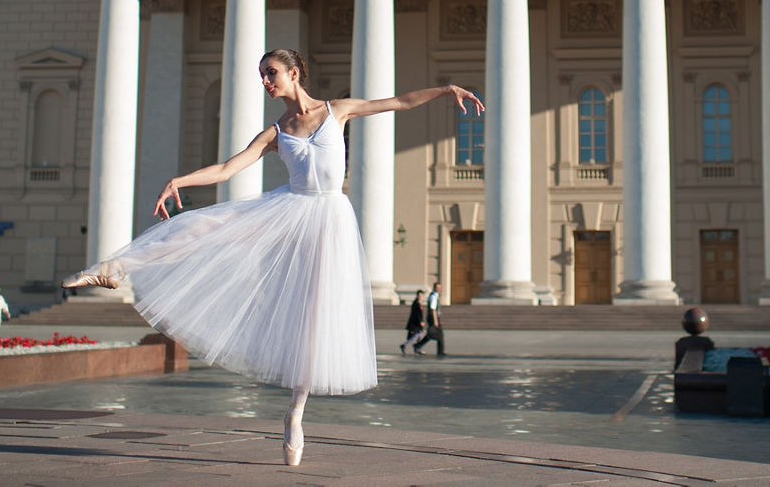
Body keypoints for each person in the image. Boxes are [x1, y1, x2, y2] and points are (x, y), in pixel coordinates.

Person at [62, 48, 482, 466]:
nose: (265, 81)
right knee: (207, 225)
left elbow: (398, 102)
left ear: (294, 73)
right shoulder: (276, 132)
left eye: (271, 73)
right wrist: (180, 179)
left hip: (329, 219)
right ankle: (114, 267)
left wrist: (447, 90)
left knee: (314, 319)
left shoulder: (338, 110)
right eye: (262, 75)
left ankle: (295, 415)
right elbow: (228, 168)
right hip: (290, 209)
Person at [417, 281, 445, 358]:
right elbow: (433, 309)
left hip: (435, 317)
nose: (439, 289)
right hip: (433, 318)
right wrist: (436, 321)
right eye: (437, 287)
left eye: (439, 288)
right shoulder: (433, 296)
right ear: (434, 288)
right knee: (435, 335)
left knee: (438, 335)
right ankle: (440, 352)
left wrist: (439, 319)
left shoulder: (435, 295)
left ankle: (440, 351)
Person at [400, 289, 427, 355]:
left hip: (417, 322)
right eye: (419, 295)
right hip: (416, 323)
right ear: (417, 295)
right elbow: (416, 314)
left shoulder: (419, 303)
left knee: (420, 335)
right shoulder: (416, 303)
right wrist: (421, 321)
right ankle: (405, 345)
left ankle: (418, 348)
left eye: (421, 295)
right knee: (417, 335)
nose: (420, 296)